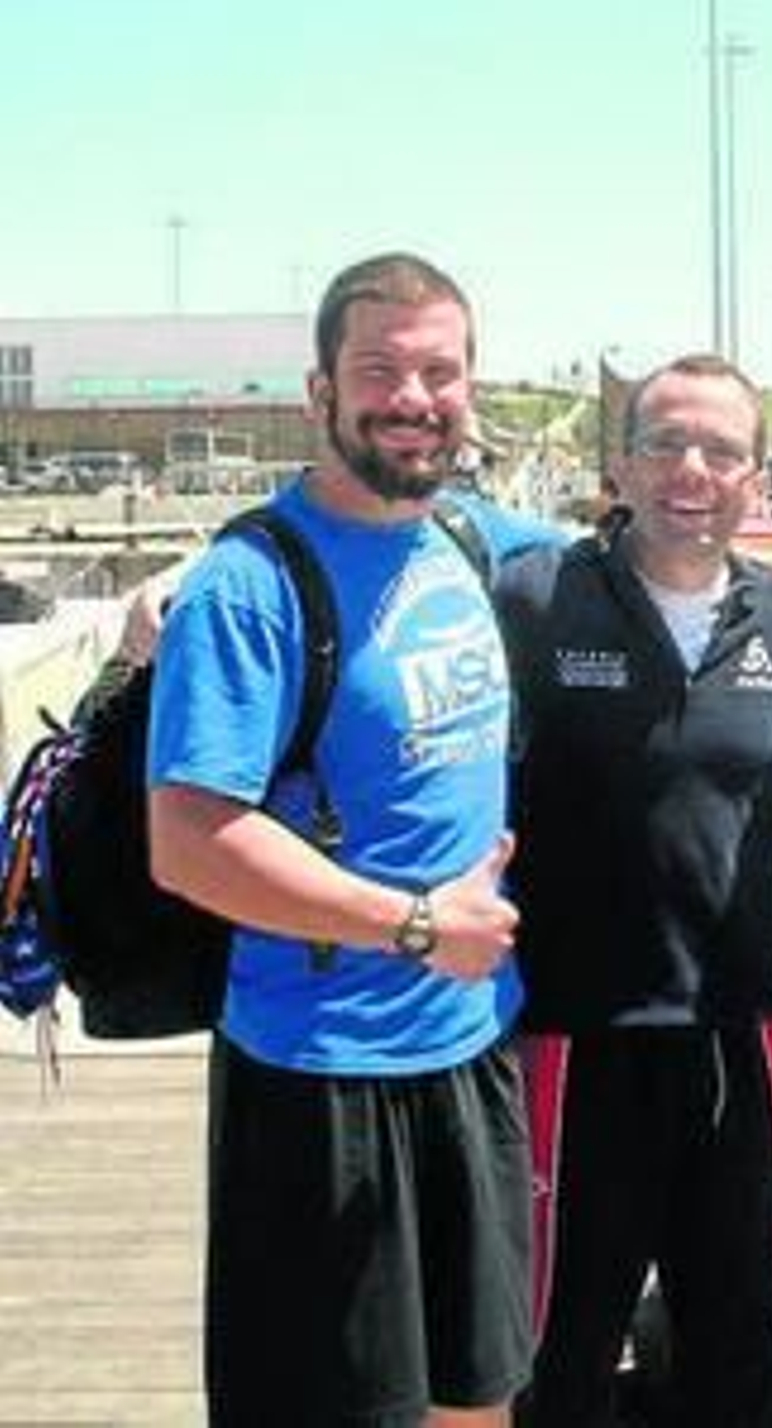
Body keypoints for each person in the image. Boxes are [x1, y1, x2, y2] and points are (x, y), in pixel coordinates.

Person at [148, 252, 563, 1427]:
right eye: (379, 369)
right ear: (319, 389)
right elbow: (188, 841)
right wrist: (420, 926)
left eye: (439, 371)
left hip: (470, 1051)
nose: (413, 397)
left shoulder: (471, 544)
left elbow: (661, 555)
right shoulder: (247, 585)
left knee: (480, 1398)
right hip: (320, 1075)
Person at [495, 353, 772, 1426]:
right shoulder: (533, 599)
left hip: (743, 1037)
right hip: (576, 1040)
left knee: (743, 1344)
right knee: (561, 1347)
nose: (692, 468)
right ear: (620, 467)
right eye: (665, 443)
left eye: (721, 450)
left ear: (754, 479)